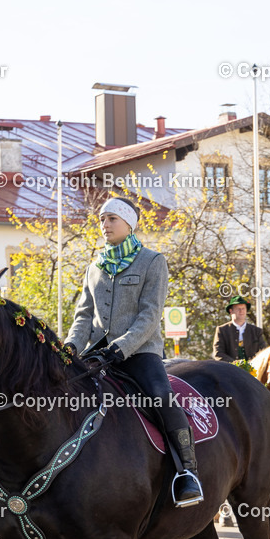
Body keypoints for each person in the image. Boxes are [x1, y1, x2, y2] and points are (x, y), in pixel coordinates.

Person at [65, 196, 203, 507]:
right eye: (102, 220)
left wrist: (123, 346)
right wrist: (72, 346)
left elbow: (150, 314)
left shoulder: (153, 261)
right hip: (97, 356)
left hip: (140, 353)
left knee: (161, 395)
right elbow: (84, 316)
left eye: (112, 219)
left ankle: (188, 473)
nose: (105, 225)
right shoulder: (94, 268)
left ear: (129, 224)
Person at [212, 296, 265, 362]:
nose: (241, 311)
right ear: (231, 311)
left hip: (253, 370)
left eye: (243, 308)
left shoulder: (256, 331)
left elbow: (264, 352)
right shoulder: (222, 330)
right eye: (238, 309)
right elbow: (218, 353)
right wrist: (235, 364)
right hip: (229, 369)